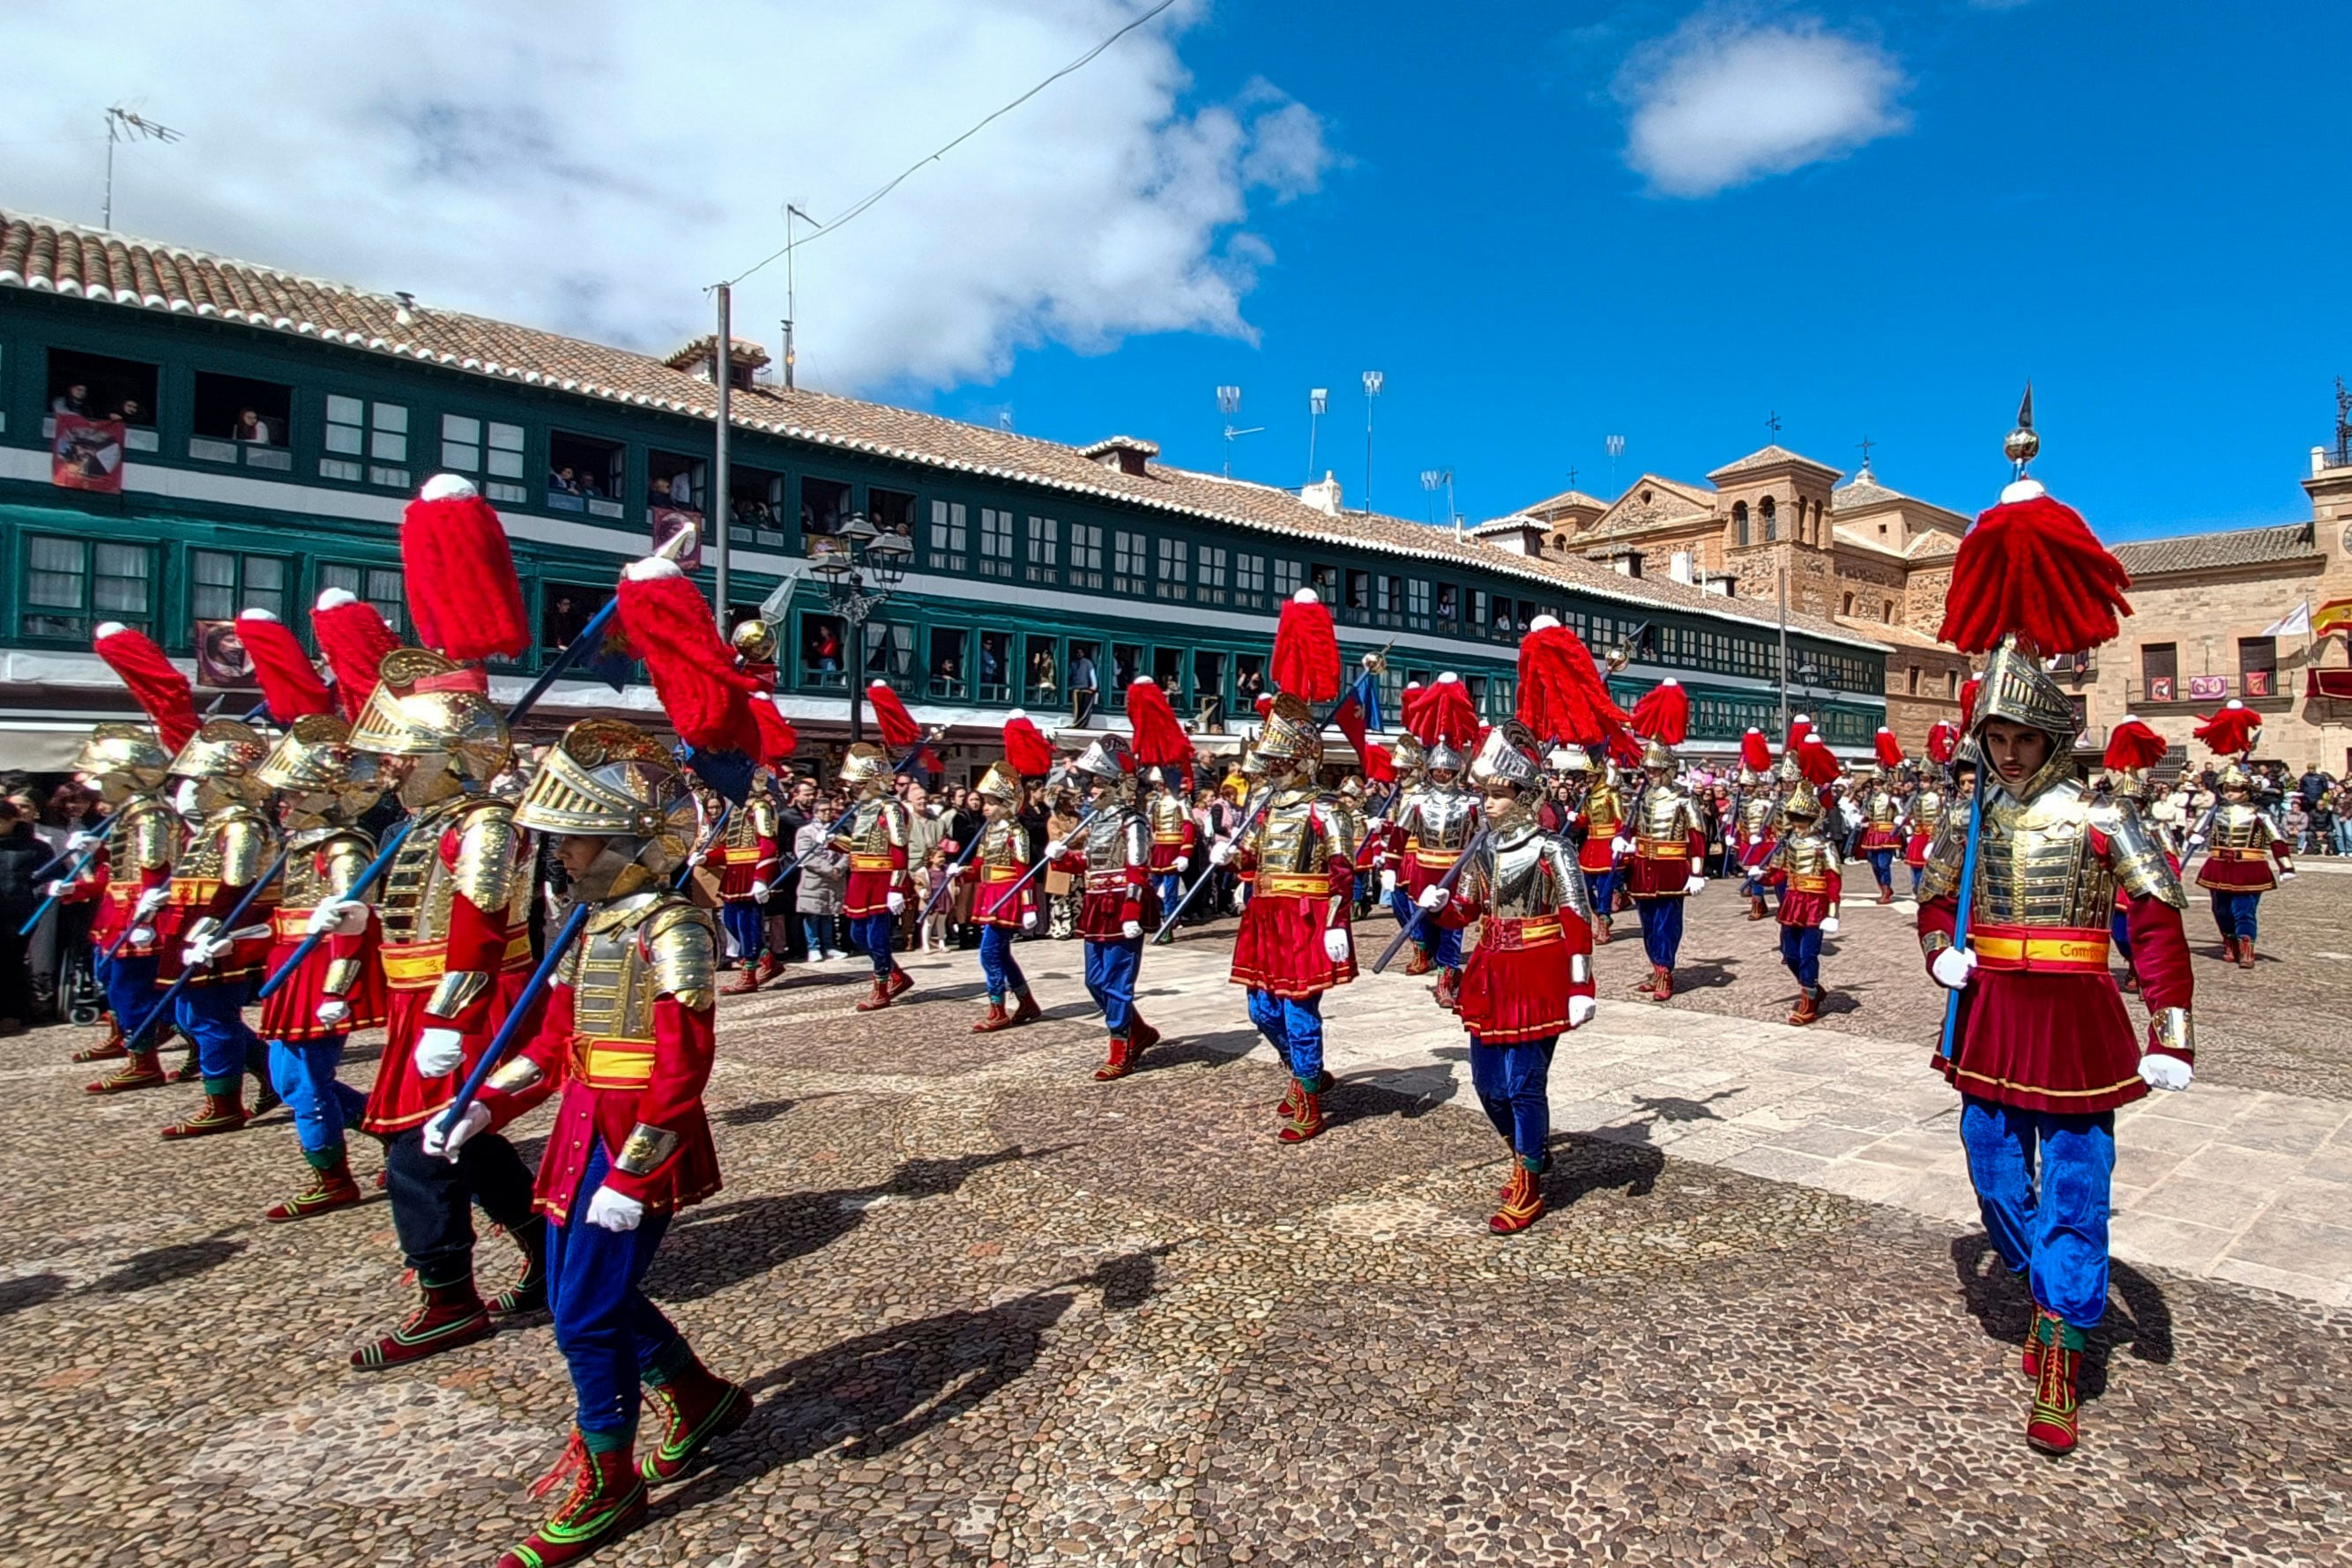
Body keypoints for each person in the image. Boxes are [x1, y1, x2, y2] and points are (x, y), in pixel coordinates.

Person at [1918, 419, 2194, 1457]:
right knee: (1991, 1168)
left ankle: (2060, 1338)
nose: (2004, 747)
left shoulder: (2102, 812)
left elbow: (2156, 919)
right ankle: (2054, 1283)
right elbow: (1937, 900)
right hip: (1989, 1007)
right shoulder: (1968, 812)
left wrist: (2169, 1028)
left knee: (2075, 1180)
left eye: (2019, 734)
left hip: (2076, 1013)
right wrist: (1937, 955)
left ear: (2051, 735)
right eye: (1993, 735)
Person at [430, 721, 744, 1568]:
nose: (561, 855)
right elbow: (553, 1044)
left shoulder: (672, 926)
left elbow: (685, 1066)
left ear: (624, 841)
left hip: (639, 1133)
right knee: (583, 1294)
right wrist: (488, 1105)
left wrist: (638, 1168)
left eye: (575, 840)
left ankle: (609, 1472)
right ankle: (698, 1393)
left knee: (582, 1313)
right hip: (581, 1128)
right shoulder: (591, 921)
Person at [344, 649, 547, 1369]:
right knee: (471, 1142)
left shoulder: (486, 824)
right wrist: (350, 927)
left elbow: (479, 929)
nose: (392, 767)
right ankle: (546, 1257)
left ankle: (448, 1298)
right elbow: (414, 919)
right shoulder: (426, 824)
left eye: (405, 754)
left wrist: (448, 1017)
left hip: (465, 1004)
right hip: (423, 1001)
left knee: (418, 1151)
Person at [1419, 721, 1597, 1233]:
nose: (1488, 804)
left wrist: (1580, 984)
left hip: (1538, 971)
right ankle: (1531, 1149)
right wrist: (1439, 905)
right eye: (1486, 794)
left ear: (1523, 796)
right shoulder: (1484, 850)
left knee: (1523, 1084)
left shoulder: (1553, 849)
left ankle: (1528, 1176)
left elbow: (1575, 918)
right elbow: (1467, 910)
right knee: (1487, 1085)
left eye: (1498, 795)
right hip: (1491, 970)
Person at [246, 714, 392, 1219]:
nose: (283, 803)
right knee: (287, 1079)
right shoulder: (302, 845)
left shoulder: (345, 849)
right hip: (289, 967)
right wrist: (238, 939)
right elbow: (287, 917)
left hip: (320, 976)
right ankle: (385, 1127)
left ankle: (332, 1178)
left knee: (309, 1083)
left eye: (294, 792)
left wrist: (337, 990)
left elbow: (353, 925)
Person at [1213, 692, 1358, 1141]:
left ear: (1300, 761)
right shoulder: (1268, 806)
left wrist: (1337, 924)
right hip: (1265, 914)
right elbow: (1255, 858)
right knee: (1261, 1010)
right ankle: (1304, 1072)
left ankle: (1308, 1097)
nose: (1272, 768)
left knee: (1298, 1009)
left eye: (1279, 761)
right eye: (1270, 762)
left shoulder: (1327, 807)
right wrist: (1231, 855)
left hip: (1305, 915)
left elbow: (1343, 872)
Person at [157, 719, 282, 1139]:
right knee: (191, 1014)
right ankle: (268, 1075)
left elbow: (237, 881)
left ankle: (224, 1103)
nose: (196, 787)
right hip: (192, 923)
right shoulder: (214, 823)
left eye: (203, 778)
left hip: (217, 928)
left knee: (210, 1018)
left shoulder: (241, 823)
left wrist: (213, 923)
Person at [1047, 737, 1160, 1078]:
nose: (1091, 790)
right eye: (1092, 783)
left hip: (1121, 905)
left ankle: (1121, 1047)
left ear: (1116, 786)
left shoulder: (1133, 821)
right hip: (1097, 902)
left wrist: (1131, 911)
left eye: (1098, 783)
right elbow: (1091, 863)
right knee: (1094, 981)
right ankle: (1139, 1032)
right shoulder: (1096, 822)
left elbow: (1137, 869)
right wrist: (1065, 858)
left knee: (1116, 982)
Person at [1388, 675, 1478, 1007]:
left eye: (1446, 771)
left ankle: (1448, 978)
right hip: (1424, 866)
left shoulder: (1472, 803)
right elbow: (1399, 836)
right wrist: (1390, 866)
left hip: (1458, 869)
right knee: (1423, 919)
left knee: (1454, 925)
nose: (1441, 775)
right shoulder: (1417, 800)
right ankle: (1428, 956)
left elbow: (1483, 841)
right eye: (1437, 771)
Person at [1622, 737, 1708, 1001]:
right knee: (1647, 921)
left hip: (1670, 868)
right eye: (1648, 769)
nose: (1650, 773)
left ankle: (1664, 969)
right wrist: (1624, 842)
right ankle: (1656, 966)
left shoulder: (1684, 799)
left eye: (1655, 769)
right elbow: (1633, 828)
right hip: (1643, 867)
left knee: (1666, 923)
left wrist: (1696, 872)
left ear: (1669, 769)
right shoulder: (1643, 796)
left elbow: (1697, 837)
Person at [830, 744, 915, 1009]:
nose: (855, 788)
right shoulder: (864, 808)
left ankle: (881, 985)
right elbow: (861, 844)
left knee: (877, 935)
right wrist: (834, 841)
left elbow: (899, 849)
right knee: (857, 934)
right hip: (860, 876)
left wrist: (896, 888)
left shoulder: (890, 808)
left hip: (881, 877)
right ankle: (896, 974)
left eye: (860, 783)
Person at [961, 762, 1043, 1030]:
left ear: (1006, 804)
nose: (985, 807)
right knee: (1002, 955)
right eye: (985, 801)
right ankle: (1026, 1001)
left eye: (993, 802)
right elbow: (979, 867)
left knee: (989, 954)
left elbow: (1023, 871)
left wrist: (1029, 905)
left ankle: (997, 1009)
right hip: (989, 893)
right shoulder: (988, 832)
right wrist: (960, 870)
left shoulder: (1016, 831)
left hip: (1006, 896)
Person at [1759, 769, 1843, 1025]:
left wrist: (1832, 913)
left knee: (1808, 954)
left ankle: (1808, 997)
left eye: (1802, 820)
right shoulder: (1789, 843)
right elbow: (1777, 874)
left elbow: (1833, 881)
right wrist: (1760, 876)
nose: (1798, 825)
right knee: (1790, 953)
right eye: (1795, 820)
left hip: (1815, 904)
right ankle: (1813, 988)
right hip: (1793, 901)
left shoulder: (1824, 846)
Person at [2189, 763, 2294, 967]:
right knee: (2221, 910)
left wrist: (2286, 866)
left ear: (2246, 791)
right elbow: (2196, 829)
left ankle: (2246, 949)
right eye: (2226, 789)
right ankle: (2230, 942)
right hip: (2219, 865)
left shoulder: (2259, 814)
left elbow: (2277, 840)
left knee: (2244, 910)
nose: (2230, 793)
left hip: (2249, 866)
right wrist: (2194, 835)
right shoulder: (2214, 812)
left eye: (2235, 789)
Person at [715, 765, 782, 994]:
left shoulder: (761, 808)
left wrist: (762, 877)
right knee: (730, 920)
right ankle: (766, 959)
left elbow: (768, 843)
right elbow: (731, 846)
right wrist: (706, 857)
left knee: (747, 924)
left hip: (751, 872)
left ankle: (749, 971)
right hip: (735, 872)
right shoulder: (736, 809)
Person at [0, 799, 46, 1035]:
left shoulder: (33, 847)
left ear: (11, 820)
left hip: (18, 912)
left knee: (12, 964)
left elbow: (51, 875)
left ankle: (13, 1012)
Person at [793, 802, 848, 962]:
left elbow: (848, 852)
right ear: (815, 812)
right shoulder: (805, 832)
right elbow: (804, 855)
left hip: (835, 878)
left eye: (830, 810)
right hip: (815, 878)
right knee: (813, 915)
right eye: (824, 810)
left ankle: (830, 946)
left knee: (829, 913)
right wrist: (828, 870)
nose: (827, 813)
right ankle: (813, 947)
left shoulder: (838, 831)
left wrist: (838, 868)